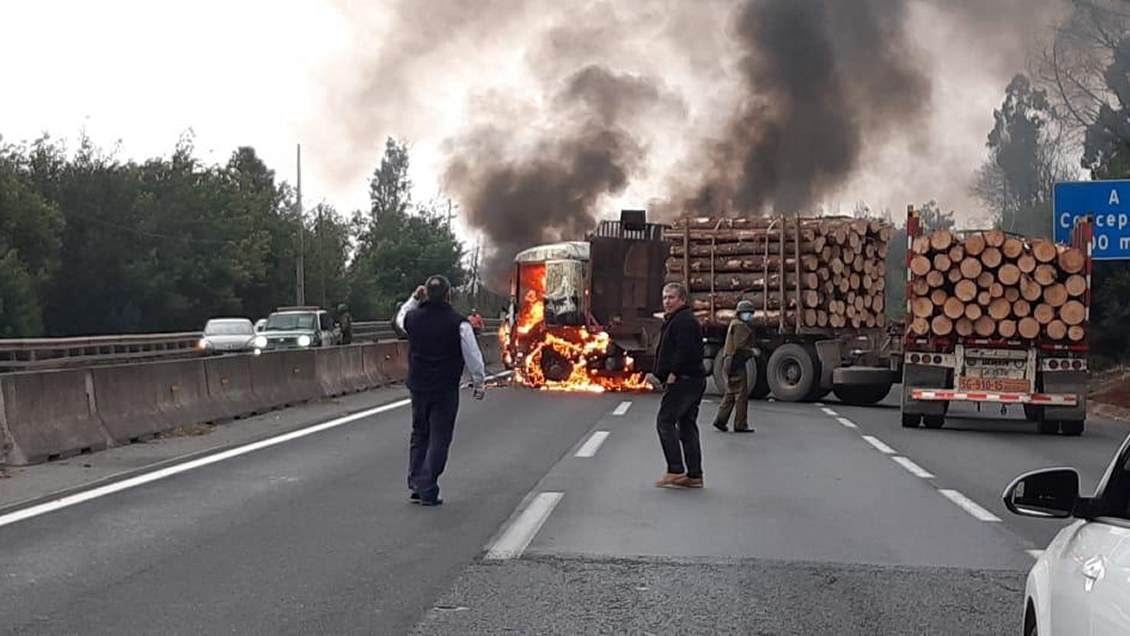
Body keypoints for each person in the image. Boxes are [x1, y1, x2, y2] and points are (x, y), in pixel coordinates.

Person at [395, 275, 486, 506]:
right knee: (440, 438)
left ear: (426, 293)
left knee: (419, 434)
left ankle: (416, 482)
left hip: (418, 387)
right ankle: (427, 486)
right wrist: (479, 381)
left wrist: (414, 299)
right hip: (445, 389)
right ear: (448, 295)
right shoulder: (459, 323)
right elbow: (472, 355)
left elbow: (400, 319)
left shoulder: (413, 318)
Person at [651, 281, 707, 489]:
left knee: (665, 421)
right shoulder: (679, 319)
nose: (667, 301)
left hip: (684, 380)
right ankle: (694, 475)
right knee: (687, 426)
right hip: (692, 380)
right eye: (664, 297)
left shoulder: (683, 321)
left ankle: (675, 469)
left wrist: (673, 373)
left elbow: (685, 350)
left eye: (671, 297)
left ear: (682, 299)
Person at [712, 300, 757, 433]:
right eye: (746, 313)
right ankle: (740, 424)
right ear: (740, 313)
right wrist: (752, 351)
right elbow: (740, 347)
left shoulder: (734, 323)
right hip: (736, 362)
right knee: (741, 394)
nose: (749, 315)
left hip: (729, 361)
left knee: (731, 392)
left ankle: (720, 420)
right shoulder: (741, 326)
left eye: (750, 313)